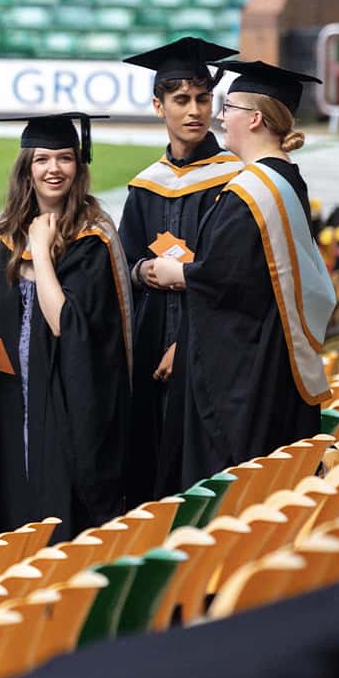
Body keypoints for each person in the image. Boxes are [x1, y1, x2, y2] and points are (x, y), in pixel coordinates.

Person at [148, 61, 336, 481]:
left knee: (242, 485)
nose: (219, 117)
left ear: (254, 118)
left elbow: (229, 282)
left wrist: (180, 274)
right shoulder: (285, 180)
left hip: (251, 378)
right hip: (274, 362)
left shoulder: (252, 193)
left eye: (228, 107)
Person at [0, 114, 132, 539]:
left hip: (67, 409)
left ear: (78, 166)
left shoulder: (93, 241)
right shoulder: (0, 241)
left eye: (64, 158)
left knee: (60, 514)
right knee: (17, 513)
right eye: (42, 159)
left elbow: (66, 325)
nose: (53, 169)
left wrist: (40, 251)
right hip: (12, 404)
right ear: (27, 168)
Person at [117, 38, 243, 501]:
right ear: (159, 106)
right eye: (182, 99)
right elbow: (123, 263)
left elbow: (234, 280)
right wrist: (142, 271)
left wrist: (187, 344)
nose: (195, 111)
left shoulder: (235, 181)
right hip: (151, 347)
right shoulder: (146, 187)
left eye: (203, 99)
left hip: (210, 352)